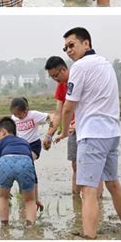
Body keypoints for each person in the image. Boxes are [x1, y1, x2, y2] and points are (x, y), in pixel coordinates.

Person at [54, 27, 121, 239]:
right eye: (65, 47)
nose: (68, 50)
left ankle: (89, 238)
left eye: (72, 45)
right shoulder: (106, 64)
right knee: (113, 183)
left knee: (87, 191)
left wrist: (65, 132)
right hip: (112, 133)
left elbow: (68, 107)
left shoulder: (79, 67)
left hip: (92, 134)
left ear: (86, 43)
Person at [43, 56, 79, 194]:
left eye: (55, 76)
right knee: (75, 165)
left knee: (92, 167)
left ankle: (95, 201)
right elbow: (58, 113)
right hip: (72, 131)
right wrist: (49, 135)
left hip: (88, 128)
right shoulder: (61, 86)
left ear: (63, 69)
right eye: (52, 77)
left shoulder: (78, 79)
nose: (55, 79)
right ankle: (76, 199)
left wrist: (78, 123)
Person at [0, 116, 37, 226]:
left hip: (5, 162)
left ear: (3, 132)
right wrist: (34, 194)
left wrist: (4, 186)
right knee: (30, 200)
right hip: (25, 162)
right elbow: (32, 165)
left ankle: (4, 225)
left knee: (3, 197)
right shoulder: (25, 142)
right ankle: (30, 226)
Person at [10, 97, 52, 210]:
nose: (18, 117)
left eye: (20, 115)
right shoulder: (13, 118)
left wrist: (50, 133)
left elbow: (50, 116)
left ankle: (34, 197)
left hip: (34, 145)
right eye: (15, 115)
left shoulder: (33, 115)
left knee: (28, 162)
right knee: (21, 168)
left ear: (26, 110)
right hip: (21, 146)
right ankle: (25, 193)